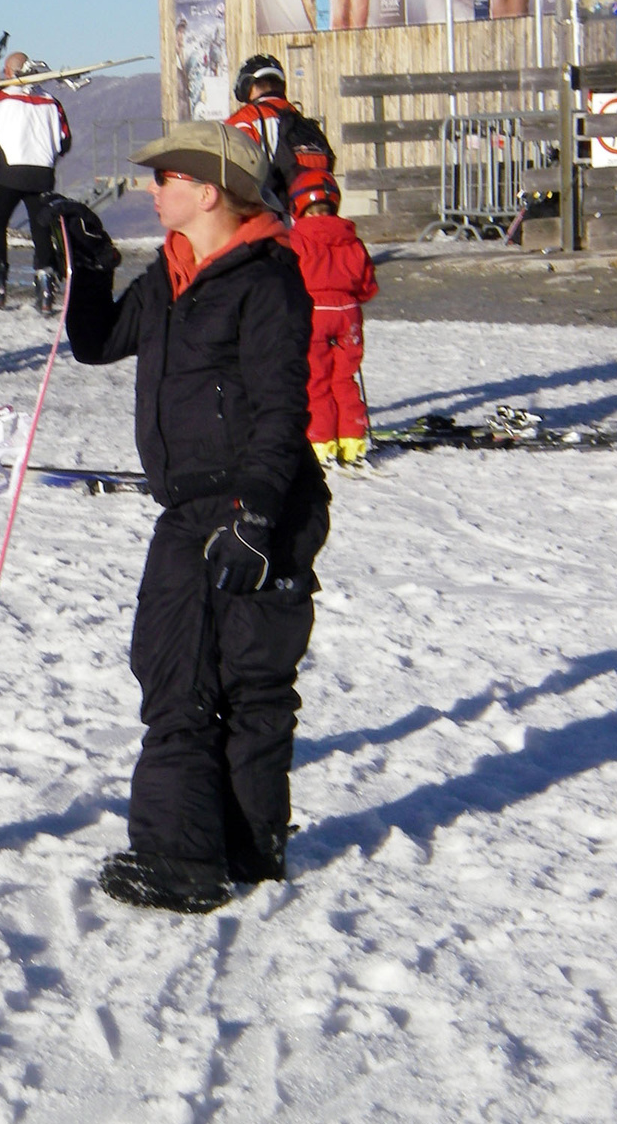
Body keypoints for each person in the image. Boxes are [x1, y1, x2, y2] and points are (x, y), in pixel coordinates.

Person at [45, 120, 329, 913]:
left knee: (251, 687)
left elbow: (282, 410)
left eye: (165, 177)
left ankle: (230, 853)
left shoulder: (268, 282)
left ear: (207, 192)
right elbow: (99, 343)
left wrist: (257, 516)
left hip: (260, 506)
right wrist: (88, 267)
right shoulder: (169, 276)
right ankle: (192, 850)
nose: (151, 188)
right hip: (186, 508)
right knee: (174, 672)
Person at [0, 50, 71, 313]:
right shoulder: (52, 103)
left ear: (9, 72)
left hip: (10, 173)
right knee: (41, 229)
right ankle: (45, 287)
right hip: (42, 174)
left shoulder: (3, 95)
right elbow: (65, 141)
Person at [286, 169, 378, 466]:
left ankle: (321, 440)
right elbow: (366, 285)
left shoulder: (296, 239)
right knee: (344, 377)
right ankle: (352, 439)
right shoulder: (352, 241)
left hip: (314, 313)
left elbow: (287, 278)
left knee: (317, 379)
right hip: (348, 316)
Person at [224, 54, 334, 209]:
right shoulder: (300, 120)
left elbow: (230, 174)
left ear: (246, 85)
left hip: (272, 219)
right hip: (313, 214)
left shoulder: (246, 120)